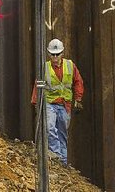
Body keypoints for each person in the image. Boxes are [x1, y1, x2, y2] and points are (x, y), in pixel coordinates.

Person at [31, 38, 84, 166]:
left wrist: (78, 98)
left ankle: (63, 163)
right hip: (50, 103)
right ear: (49, 54)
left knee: (62, 133)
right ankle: (57, 157)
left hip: (65, 105)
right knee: (49, 128)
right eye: (53, 54)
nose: (55, 57)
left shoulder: (70, 66)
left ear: (62, 53)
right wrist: (35, 102)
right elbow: (37, 84)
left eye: (57, 54)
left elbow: (78, 81)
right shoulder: (45, 67)